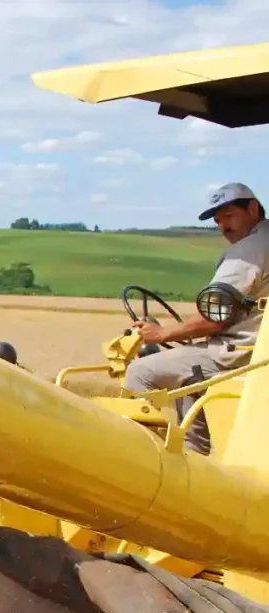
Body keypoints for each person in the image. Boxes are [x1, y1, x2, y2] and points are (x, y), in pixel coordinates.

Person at [123, 182, 269, 455]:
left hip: (237, 356)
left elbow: (213, 318)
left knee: (139, 373)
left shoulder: (247, 252)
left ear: (252, 208)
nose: (224, 227)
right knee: (190, 377)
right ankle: (194, 459)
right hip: (259, 351)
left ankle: (140, 462)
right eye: (218, 221)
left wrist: (160, 334)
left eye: (228, 216)